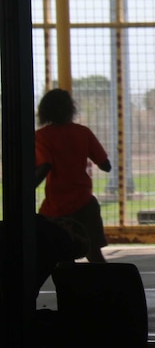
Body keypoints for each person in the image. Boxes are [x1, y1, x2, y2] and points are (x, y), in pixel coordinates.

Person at [35, 88, 112, 263]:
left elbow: (45, 165)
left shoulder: (42, 136)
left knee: (62, 258)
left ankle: (68, 289)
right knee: (94, 255)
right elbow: (106, 165)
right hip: (85, 203)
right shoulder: (83, 132)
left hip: (56, 209)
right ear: (71, 109)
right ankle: (106, 288)